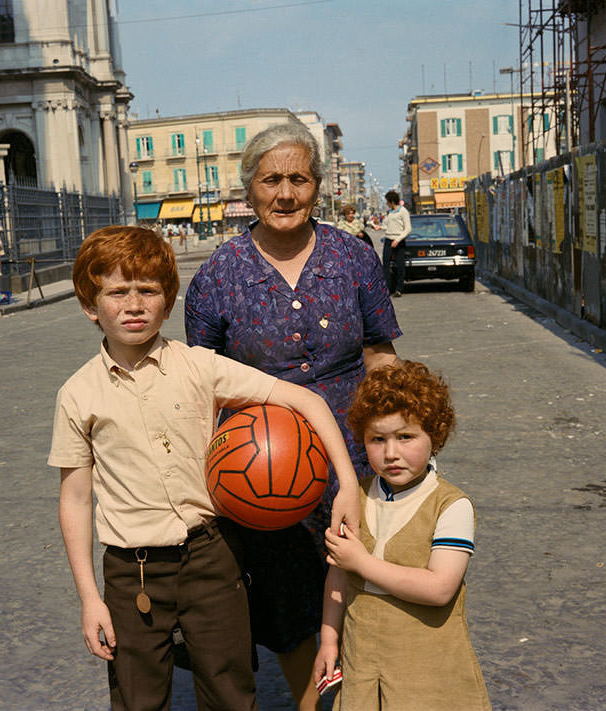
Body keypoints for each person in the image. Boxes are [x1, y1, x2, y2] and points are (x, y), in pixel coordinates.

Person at [49, 225, 361, 711]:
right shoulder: (77, 394)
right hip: (133, 573)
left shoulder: (200, 366)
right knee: (137, 699)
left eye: (148, 291)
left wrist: (346, 485)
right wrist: (91, 598)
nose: (134, 305)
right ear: (91, 305)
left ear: (168, 303)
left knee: (230, 692)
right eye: (117, 292)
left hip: (211, 558)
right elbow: (75, 498)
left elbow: (305, 400)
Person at [185, 121, 402, 711]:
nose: (285, 193)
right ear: (249, 188)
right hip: (266, 477)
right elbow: (200, 385)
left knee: (364, 591)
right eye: (271, 179)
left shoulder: (354, 257)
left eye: (299, 179)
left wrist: (394, 445)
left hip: (354, 462)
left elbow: (381, 355)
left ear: (317, 186)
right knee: (289, 607)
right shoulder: (215, 278)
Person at [313, 361, 491, 710]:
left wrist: (362, 562)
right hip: (364, 666)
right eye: (377, 439)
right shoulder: (355, 496)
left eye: (405, 437)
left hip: (428, 671)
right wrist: (329, 640)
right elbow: (337, 573)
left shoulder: (451, 505)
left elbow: (440, 588)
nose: (391, 453)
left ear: (434, 435)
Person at [382, 190, 411, 297]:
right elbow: (387, 226)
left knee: (400, 266)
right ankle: (388, 289)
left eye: (387, 201)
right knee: (385, 265)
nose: (386, 203)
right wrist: (378, 227)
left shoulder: (403, 211)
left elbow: (408, 229)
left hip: (399, 241)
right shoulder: (390, 212)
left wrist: (398, 239)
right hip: (388, 240)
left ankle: (399, 289)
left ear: (392, 201)